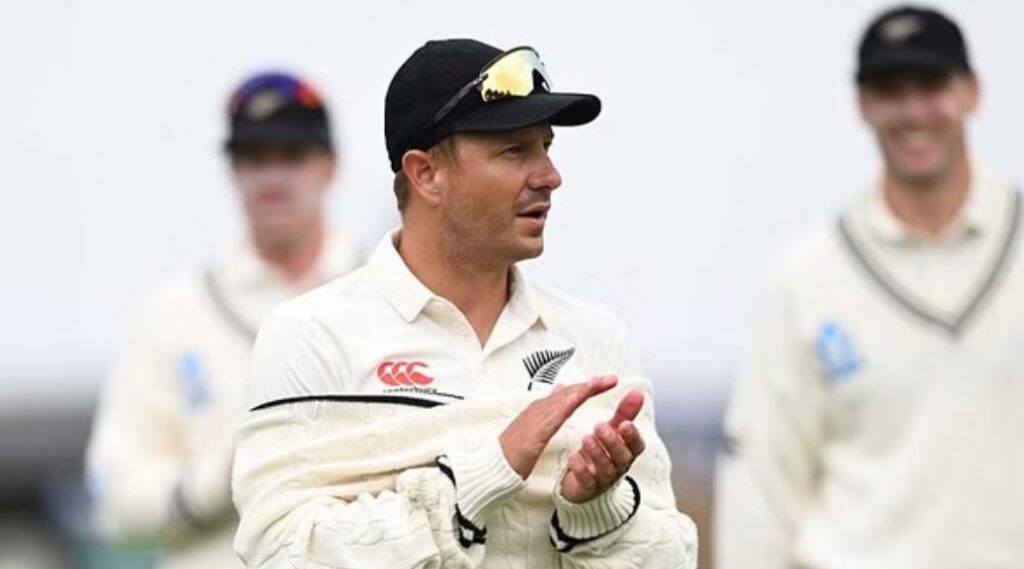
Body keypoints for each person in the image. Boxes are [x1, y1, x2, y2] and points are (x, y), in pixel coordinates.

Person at [232, 39, 699, 568]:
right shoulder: (312, 334)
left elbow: (673, 558)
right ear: (426, 174)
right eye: (514, 151)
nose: (549, 175)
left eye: (546, 146)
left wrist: (595, 510)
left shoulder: (595, 338)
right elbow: (281, 551)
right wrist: (484, 476)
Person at [715, 5, 1024, 568]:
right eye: (890, 91)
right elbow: (761, 481)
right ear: (862, 105)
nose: (913, 112)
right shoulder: (807, 278)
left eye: (931, 86)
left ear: (972, 92)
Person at [86, 71, 361, 569]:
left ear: (329, 166)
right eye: (253, 159)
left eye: (291, 156)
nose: (271, 179)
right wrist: (221, 478)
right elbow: (112, 503)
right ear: (233, 172)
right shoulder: (176, 312)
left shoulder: (386, 292)